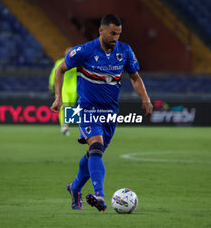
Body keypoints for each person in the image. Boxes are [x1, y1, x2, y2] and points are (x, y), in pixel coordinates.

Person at [50, 14, 153, 212]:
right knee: (96, 146)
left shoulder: (125, 51)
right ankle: (100, 196)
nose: (116, 38)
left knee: (93, 154)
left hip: (110, 113)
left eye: (119, 34)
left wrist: (145, 98)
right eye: (112, 33)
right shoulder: (84, 51)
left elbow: (135, 77)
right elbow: (60, 70)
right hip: (87, 109)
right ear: (101, 30)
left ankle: (75, 188)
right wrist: (58, 97)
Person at [49, 47, 77, 136]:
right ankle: (64, 126)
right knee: (63, 106)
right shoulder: (59, 62)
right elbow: (54, 74)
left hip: (73, 89)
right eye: (68, 53)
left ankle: (67, 124)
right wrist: (51, 85)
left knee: (70, 107)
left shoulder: (77, 63)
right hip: (63, 88)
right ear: (65, 54)